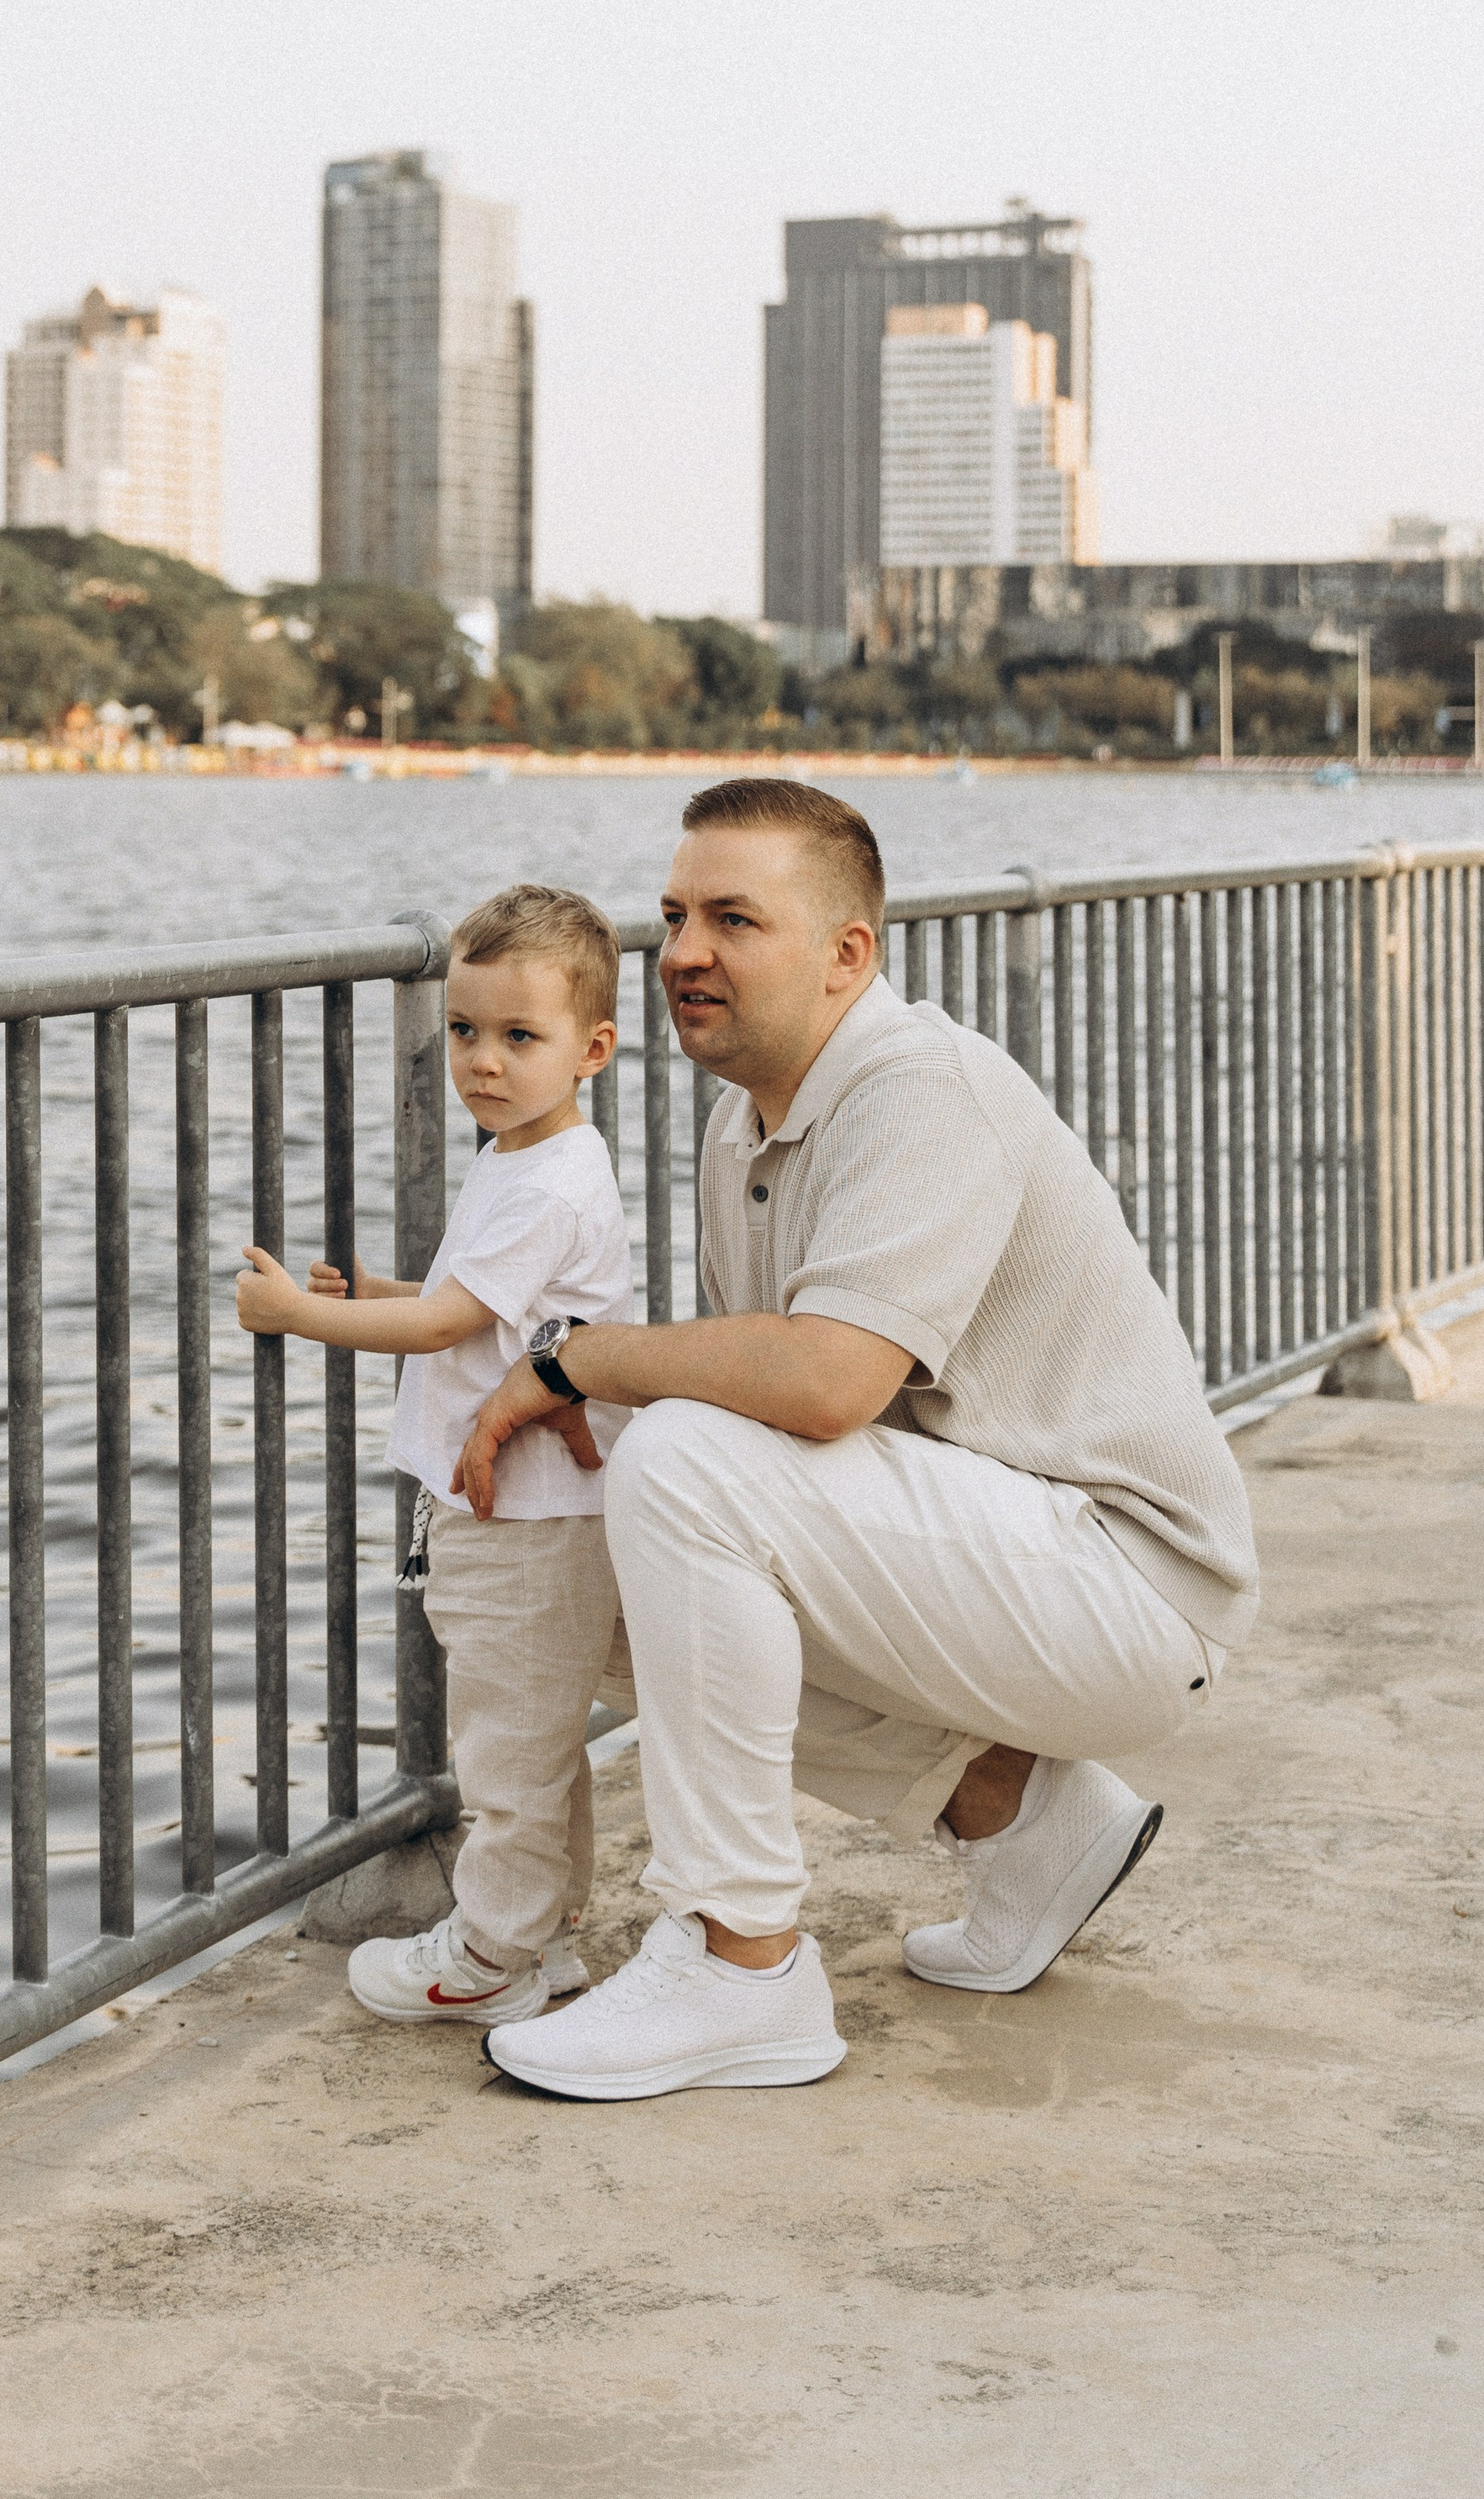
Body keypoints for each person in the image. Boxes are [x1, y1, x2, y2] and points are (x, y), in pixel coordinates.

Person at [456, 778, 1259, 2104]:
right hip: (1001, 1567)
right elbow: (767, 1416)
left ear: (848, 955)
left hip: (1129, 1587)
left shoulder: (920, 1087)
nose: (685, 951)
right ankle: (1020, 1815)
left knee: (674, 1468)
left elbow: (826, 1386)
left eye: (733, 918)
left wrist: (572, 1359)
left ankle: (742, 1962)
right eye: (670, 917)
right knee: (578, 1562)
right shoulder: (745, 1121)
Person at [235, 880, 636, 2029]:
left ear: (592, 1048)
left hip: (522, 1514)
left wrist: (296, 1316)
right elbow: (473, 1307)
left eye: (520, 1037)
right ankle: (539, 1939)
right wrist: (377, 1290)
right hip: (526, 1501)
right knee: (534, 1742)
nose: (483, 1060)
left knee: (509, 1749)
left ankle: (489, 1955)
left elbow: (443, 1330)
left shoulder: (544, 1179)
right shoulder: (532, 1156)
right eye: (464, 1031)